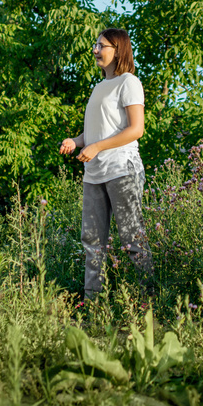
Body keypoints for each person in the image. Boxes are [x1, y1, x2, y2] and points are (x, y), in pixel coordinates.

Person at [60, 28, 155, 300]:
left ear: (118, 49)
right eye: (95, 45)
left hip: (122, 170)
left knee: (132, 240)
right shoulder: (99, 87)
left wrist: (97, 146)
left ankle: (147, 303)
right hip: (94, 174)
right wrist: (76, 141)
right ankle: (93, 306)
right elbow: (93, 135)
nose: (95, 50)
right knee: (91, 242)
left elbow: (136, 129)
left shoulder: (129, 82)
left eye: (102, 46)